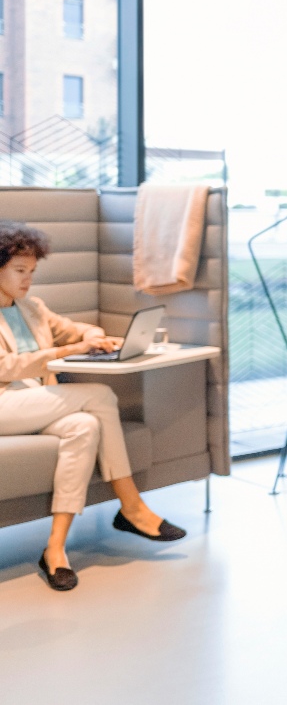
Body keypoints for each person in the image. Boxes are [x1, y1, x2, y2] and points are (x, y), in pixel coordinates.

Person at [0, 222, 186, 592]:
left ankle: (55, 550)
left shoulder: (30, 307)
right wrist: (68, 351)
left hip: (36, 404)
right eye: (19, 271)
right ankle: (131, 506)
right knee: (99, 395)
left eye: (32, 272)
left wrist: (94, 338)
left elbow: (72, 329)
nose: (28, 280)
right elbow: (7, 367)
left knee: (85, 426)